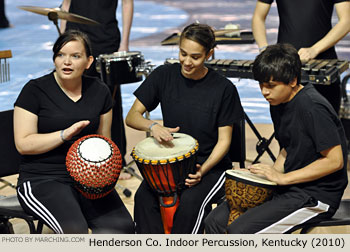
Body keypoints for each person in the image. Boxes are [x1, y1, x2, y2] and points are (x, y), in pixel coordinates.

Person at [204, 43, 348, 234]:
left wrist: (283, 178)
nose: (264, 92)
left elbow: (335, 161)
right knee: (215, 220)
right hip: (290, 188)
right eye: (261, 85)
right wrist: (266, 177)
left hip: (317, 196)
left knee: (240, 231)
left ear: (293, 80)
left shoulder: (312, 107)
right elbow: (288, 148)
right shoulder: (278, 102)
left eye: (270, 86)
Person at [125, 23, 244, 234]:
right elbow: (132, 116)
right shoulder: (164, 75)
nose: (187, 62)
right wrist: (153, 126)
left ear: (209, 54)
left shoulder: (224, 89)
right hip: (171, 165)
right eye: (183, 53)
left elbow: (225, 141)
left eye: (195, 57)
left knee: (190, 203)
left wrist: (202, 170)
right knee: (143, 198)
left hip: (210, 168)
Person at [13, 30, 134, 234]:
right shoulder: (34, 90)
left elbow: (105, 142)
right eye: (61, 55)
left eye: (75, 56)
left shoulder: (99, 90)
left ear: (88, 61)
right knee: (74, 231)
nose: (66, 62)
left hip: (88, 180)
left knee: (122, 229)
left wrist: (105, 176)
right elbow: (23, 144)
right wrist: (64, 135)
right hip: (42, 179)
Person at [60, 0, 134, 175]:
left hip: (106, 37)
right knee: (74, 97)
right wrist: (62, 40)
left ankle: (115, 160)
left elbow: (127, 3)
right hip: (75, 35)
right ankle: (77, 157)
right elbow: (66, 4)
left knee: (110, 101)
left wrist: (124, 43)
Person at [251, 0, 350, 113]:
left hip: (324, 65)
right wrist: (264, 50)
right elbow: (258, 17)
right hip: (283, 67)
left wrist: (315, 49)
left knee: (326, 121)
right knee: (284, 125)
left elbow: (346, 21)